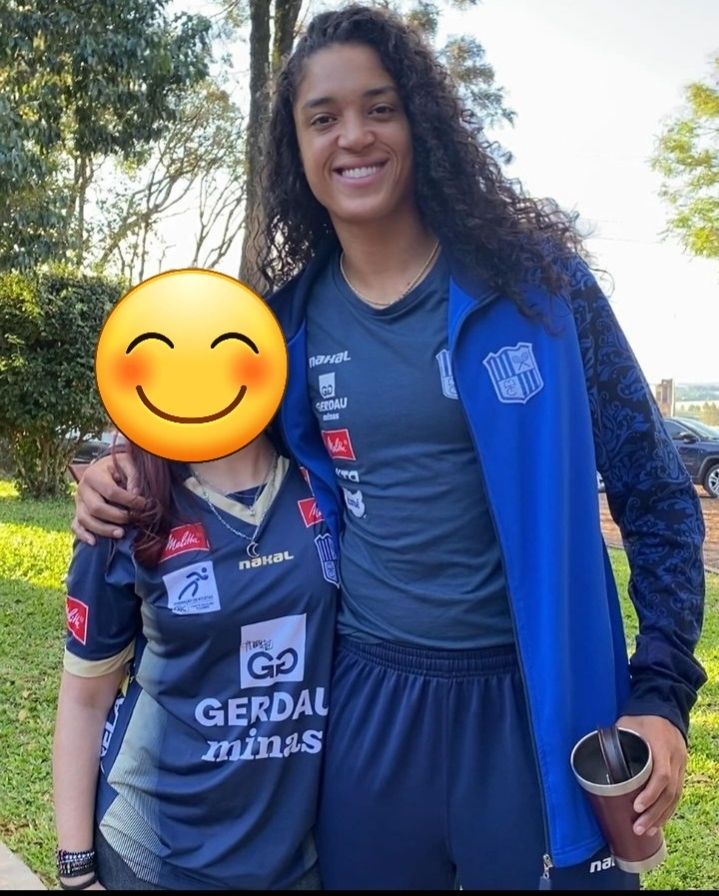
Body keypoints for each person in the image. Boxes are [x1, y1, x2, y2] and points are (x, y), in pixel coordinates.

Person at [72, 4, 707, 890]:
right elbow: (189, 423)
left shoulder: (539, 292)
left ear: (422, 123)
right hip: (368, 707)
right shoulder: (283, 330)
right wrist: (119, 468)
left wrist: (660, 693)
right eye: (322, 117)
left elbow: (655, 493)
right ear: (295, 149)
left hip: (540, 706)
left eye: (379, 108)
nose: (353, 136)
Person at [55, 432, 337, 890]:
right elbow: (84, 700)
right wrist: (77, 874)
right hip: (151, 856)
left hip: (295, 859)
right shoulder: (120, 505)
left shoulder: (326, 479)